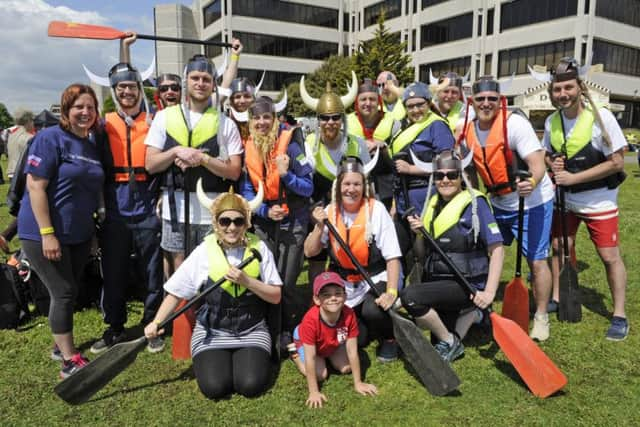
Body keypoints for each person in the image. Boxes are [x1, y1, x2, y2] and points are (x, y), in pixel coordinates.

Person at [144, 183, 282, 399]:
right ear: (216, 223)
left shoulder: (260, 248)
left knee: (250, 385)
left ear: (246, 223)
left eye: (238, 221)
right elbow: (175, 292)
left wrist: (248, 281)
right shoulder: (203, 251)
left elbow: (275, 296)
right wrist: (156, 322)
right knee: (215, 388)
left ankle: (247, 359)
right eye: (225, 221)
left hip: (252, 329)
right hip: (212, 332)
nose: (232, 227)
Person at [17, 84, 104, 378]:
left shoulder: (90, 145)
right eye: (78, 106)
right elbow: (35, 186)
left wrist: (91, 233)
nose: (85, 112)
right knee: (64, 292)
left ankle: (59, 345)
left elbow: (88, 192)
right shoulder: (49, 138)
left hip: (78, 233)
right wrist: (47, 233)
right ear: (66, 110)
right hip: (43, 232)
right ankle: (69, 360)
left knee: (68, 289)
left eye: (90, 107)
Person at [459, 76, 554, 341]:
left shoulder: (515, 125)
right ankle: (480, 303)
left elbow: (537, 164)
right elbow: (469, 168)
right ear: (472, 102)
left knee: (536, 260)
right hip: (497, 202)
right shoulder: (465, 128)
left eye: (492, 98)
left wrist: (532, 182)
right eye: (481, 99)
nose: (486, 104)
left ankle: (541, 315)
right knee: (482, 252)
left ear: (500, 101)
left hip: (532, 200)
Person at [542, 58, 629, 340]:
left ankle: (619, 314)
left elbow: (617, 162)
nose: (563, 94)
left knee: (608, 255)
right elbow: (546, 153)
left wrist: (573, 178)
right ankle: (556, 296)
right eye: (557, 89)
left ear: (579, 87)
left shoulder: (601, 117)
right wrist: (551, 162)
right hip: (564, 198)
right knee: (559, 247)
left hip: (598, 200)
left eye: (568, 87)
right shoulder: (551, 121)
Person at [88, 59, 164, 355]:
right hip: (115, 206)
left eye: (132, 86)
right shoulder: (103, 124)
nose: (127, 92)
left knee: (152, 270)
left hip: (147, 203)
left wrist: (161, 196)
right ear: (115, 91)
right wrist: (99, 205)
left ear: (138, 89)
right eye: (122, 87)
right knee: (114, 270)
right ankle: (115, 327)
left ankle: (152, 324)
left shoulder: (155, 121)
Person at [401, 152, 504, 361]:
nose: (445, 180)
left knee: (410, 297)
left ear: (461, 176)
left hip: (467, 282)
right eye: (439, 176)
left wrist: (490, 292)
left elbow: (498, 249)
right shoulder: (432, 204)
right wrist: (419, 235)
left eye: (452, 175)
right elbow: (421, 255)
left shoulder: (476, 204)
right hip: (439, 280)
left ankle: (451, 340)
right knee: (429, 330)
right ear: (433, 178)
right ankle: (472, 316)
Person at [145, 54, 243, 267]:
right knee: (177, 272)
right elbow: (151, 164)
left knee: (208, 270)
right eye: (195, 78)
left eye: (206, 79)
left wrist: (202, 158)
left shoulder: (226, 124)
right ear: (186, 80)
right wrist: (177, 152)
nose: (200, 83)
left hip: (211, 210)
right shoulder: (164, 117)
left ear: (213, 85)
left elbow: (234, 171)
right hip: (174, 208)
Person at [304, 157, 402, 362]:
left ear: (364, 186)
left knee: (373, 310)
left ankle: (389, 338)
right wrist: (319, 227)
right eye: (346, 184)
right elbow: (310, 252)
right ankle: (365, 327)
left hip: (374, 279)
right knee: (359, 340)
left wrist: (391, 292)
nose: (351, 189)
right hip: (344, 284)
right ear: (338, 186)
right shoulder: (330, 211)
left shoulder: (376, 210)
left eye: (356, 184)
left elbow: (392, 257)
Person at [241, 96, 313, 335]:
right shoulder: (248, 146)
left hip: (293, 221)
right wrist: (264, 210)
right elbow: (247, 191)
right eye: (256, 118)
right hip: (264, 221)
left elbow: (308, 186)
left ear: (274, 119)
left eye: (266, 117)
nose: (261, 122)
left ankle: (289, 327)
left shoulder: (291, 145)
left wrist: (286, 175)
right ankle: (267, 325)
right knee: (265, 276)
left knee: (288, 279)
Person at [389, 82, 455, 276]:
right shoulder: (403, 128)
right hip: (403, 198)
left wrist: (412, 169)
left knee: (425, 249)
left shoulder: (437, 126)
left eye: (420, 104)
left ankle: (427, 290)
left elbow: (447, 165)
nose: (416, 110)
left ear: (428, 103)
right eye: (410, 106)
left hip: (427, 196)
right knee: (398, 250)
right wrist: (394, 203)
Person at [291, 271, 377, 408]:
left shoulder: (349, 314)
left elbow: (352, 351)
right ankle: (294, 353)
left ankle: (328, 353)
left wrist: (358, 382)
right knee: (321, 375)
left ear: (345, 296)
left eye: (338, 293)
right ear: (317, 300)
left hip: (329, 341)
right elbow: (310, 358)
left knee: (346, 367)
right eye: (326, 295)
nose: (333, 298)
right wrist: (313, 392)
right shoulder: (310, 321)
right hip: (306, 340)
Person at [347, 78, 400, 210]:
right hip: (353, 184)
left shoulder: (394, 124)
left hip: (385, 186)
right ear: (356, 102)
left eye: (372, 99)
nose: (368, 103)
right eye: (363, 99)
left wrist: (383, 146)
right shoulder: (345, 124)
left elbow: (399, 157)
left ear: (379, 101)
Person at [432, 71, 474, 136]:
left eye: (454, 92)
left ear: (460, 94)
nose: (449, 96)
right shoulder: (426, 110)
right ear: (438, 92)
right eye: (446, 91)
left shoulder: (467, 111)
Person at [6, 109, 35, 179]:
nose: (33, 123)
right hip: (22, 173)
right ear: (28, 121)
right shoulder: (29, 137)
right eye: (32, 120)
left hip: (11, 171)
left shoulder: (11, 135)